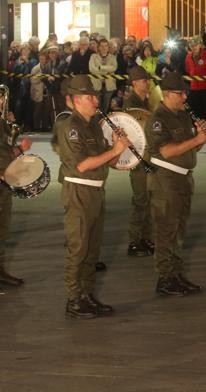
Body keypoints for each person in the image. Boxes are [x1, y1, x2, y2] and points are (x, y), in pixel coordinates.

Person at [56, 75, 130, 318]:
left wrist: (119, 149)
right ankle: (73, 299)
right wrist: (115, 150)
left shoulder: (93, 125)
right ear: (77, 100)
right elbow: (83, 165)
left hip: (96, 190)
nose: (95, 100)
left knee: (92, 249)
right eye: (90, 96)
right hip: (79, 191)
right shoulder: (71, 127)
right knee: (78, 248)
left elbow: (107, 161)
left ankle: (87, 295)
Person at [145, 72, 206, 297]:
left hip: (183, 178)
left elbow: (189, 147)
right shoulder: (158, 119)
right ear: (166, 94)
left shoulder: (183, 116)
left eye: (185, 92)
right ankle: (165, 277)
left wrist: (201, 138)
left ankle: (176, 273)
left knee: (179, 230)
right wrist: (197, 140)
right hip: (166, 180)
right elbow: (167, 151)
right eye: (180, 93)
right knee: (167, 231)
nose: (185, 97)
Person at [121, 66, 156, 257]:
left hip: (148, 155)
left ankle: (146, 237)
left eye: (148, 80)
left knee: (149, 199)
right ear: (134, 83)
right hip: (138, 157)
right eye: (144, 80)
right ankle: (135, 241)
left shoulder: (147, 100)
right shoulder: (131, 104)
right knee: (141, 200)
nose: (147, 83)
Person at [0, 93, 31, 289]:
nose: (2, 102)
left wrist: (20, 148)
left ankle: (0, 271)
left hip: (5, 183)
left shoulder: (1, 122)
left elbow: (6, 151)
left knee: (2, 231)